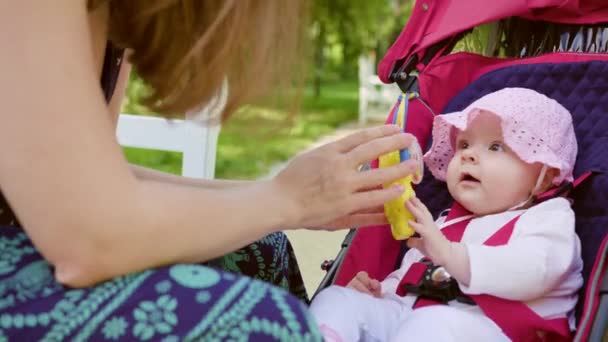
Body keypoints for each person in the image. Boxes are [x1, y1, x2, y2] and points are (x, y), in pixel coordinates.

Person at [0, 1, 418, 340]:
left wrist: (285, 198)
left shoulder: (110, 19)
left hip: (31, 235)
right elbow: (84, 242)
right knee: (263, 321)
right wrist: (288, 199)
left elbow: (89, 182)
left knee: (263, 248)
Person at [310, 88, 584, 341]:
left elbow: (536, 270)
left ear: (545, 177)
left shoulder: (549, 217)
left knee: (432, 323)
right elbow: (413, 275)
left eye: (496, 147)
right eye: (464, 144)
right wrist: (382, 292)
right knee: (338, 300)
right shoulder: (446, 221)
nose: (469, 156)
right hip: (416, 322)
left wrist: (450, 254)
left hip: (501, 330)